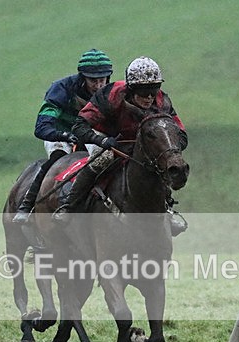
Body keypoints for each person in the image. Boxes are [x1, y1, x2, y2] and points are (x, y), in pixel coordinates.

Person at [54, 56, 187, 234]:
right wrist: (101, 141)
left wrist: (171, 150)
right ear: (131, 89)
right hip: (109, 137)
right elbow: (80, 125)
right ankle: (69, 206)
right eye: (143, 91)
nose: (149, 97)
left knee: (160, 163)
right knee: (103, 159)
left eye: (153, 90)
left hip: (144, 141)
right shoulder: (111, 95)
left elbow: (180, 132)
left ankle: (167, 211)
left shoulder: (162, 101)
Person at [12, 49, 113, 224]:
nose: (98, 86)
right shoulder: (61, 89)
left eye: (102, 80)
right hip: (62, 132)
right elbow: (42, 126)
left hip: (90, 132)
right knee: (58, 158)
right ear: (82, 77)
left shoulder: (111, 92)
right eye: (93, 81)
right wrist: (63, 135)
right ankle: (27, 205)